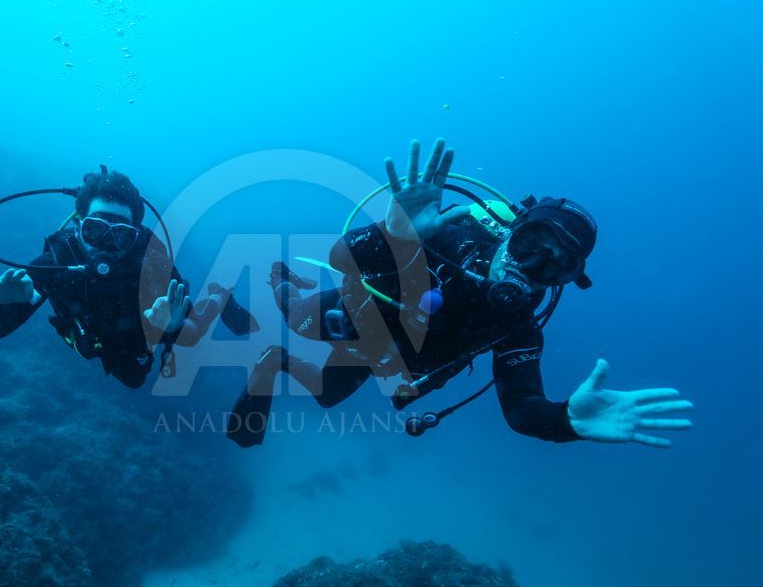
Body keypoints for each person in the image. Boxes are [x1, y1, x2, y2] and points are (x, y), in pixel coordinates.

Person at [227, 138, 692, 447]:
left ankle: (276, 360)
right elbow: (341, 257)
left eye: (556, 265)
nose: (530, 267)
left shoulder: (520, 327)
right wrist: (399, 236)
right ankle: (279, 276)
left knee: (327, 397)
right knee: (294, 316)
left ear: (568, 280)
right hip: (356, 313)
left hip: (385, 359)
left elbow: (522, 408)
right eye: (531, 245)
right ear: (513, 230)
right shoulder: (452, 236)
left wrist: (566, 421)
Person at [0, 166, 257, 388]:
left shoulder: (152, 263)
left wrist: (172, 327)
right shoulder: (56, 263)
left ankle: (219, 296)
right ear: (78, 226)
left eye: (121, 235)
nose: (106, 245)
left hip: (135, 337)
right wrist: (2, 303)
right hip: (101, 340)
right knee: (133, 380)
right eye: (95, 230)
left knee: (139, 377)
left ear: (134, 235)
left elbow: (191, 336)